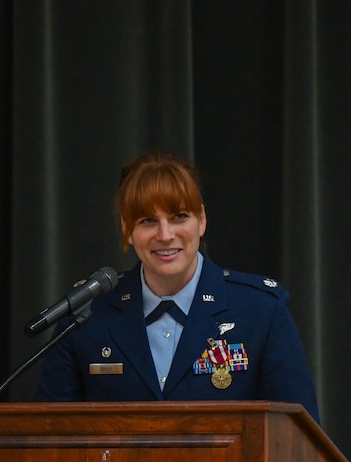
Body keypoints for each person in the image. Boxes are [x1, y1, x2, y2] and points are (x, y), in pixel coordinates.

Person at [35, 151, 320, 422]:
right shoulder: (88, 318)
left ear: (202, 220)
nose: (165, 234)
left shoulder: (260, 312)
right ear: (127, 229)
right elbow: (48, 438)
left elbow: (298, 441)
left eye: (179, 217)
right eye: (148, 221)